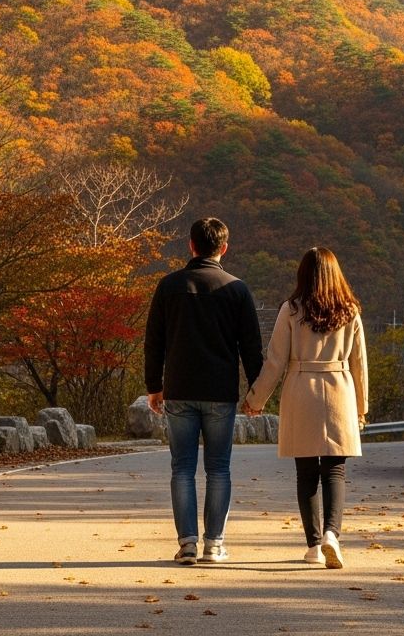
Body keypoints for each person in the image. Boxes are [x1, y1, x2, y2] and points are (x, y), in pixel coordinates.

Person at [144, 217, 263, 566]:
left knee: (182, 468)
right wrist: (256, 393)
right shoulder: (237, 289)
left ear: (191, 245)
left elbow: (154, 342)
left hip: (179, 389)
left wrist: (154, 387)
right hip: (220, 391)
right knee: (218, 469)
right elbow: (251, 348)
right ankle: (214, 544)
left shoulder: (169, 286)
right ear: (224, 248)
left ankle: (187, 545)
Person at [242, 246, 367, 569]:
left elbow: (275, 361)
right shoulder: (350, 310)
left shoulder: (292, 309)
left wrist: (255, 399)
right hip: (340, 390)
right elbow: (359, 363)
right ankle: (332, 535)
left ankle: (313, 546)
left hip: (301, 390)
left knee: (307, 471)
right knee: (335, 470)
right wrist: (361, 408)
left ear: (303, 274)